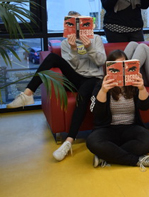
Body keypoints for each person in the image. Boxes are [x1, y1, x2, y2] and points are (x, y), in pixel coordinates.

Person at [7, 11, 106, 161]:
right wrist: (73, 49)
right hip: (75, 77)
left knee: (83, 95)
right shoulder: (66, 43)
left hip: (93, 78)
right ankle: (28, 93)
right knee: (52, 57)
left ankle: (68, 142)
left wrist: (89, 46)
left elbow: (100, 61)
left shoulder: (97, 39)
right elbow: (74, 67)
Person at [86, 49, 149, 170]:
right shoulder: (101, 84)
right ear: (109, 68)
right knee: (92, 142)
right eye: (117, 66)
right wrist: (103, 91)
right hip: (107, 129)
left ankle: (107, 155)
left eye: (124, 65)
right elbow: (96, 112)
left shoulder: (133, 83)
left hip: (130, 127)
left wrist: (141, 88)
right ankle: (137, 160)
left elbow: (145, 107)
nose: (121, 70)